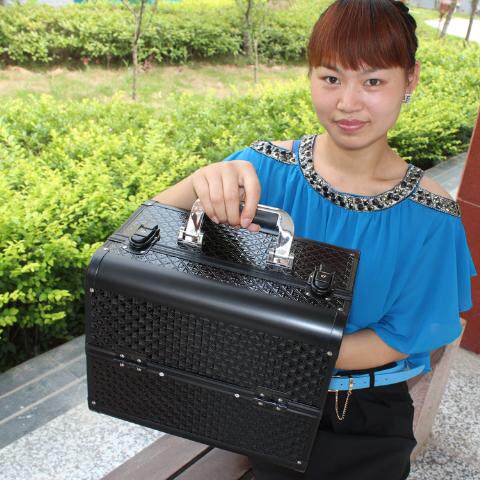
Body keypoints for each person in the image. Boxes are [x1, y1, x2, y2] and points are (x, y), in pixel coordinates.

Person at [152, 0, 477, 478]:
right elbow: (139, 240)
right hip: (251, 396)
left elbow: (398, 336)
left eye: (373, 81)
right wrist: (199, 181)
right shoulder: (261, 169)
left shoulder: (429, 217)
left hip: (356, 414)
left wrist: (276, 347)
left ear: (410, 80)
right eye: (330, 78)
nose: (348, 102)